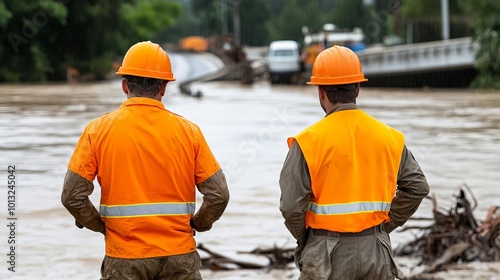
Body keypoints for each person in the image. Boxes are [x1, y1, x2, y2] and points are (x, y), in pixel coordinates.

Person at [61, 41, 230, 280]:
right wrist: (199, 224)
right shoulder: (189, 132)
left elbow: (71, 195)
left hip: (124, 259)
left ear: (124, 85)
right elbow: (219, 195)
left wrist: (101, 226)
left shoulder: (97, 131)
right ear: (163, 87)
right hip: (179, 257)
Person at [279, 45, 429, 280]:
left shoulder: (307, 142)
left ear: (321, 92)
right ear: (357, 88)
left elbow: (290, 207)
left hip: (325, 254)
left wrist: (306, 238)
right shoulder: (389, 137)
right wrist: (383, 227)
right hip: (375, 253)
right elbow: (417, 187)